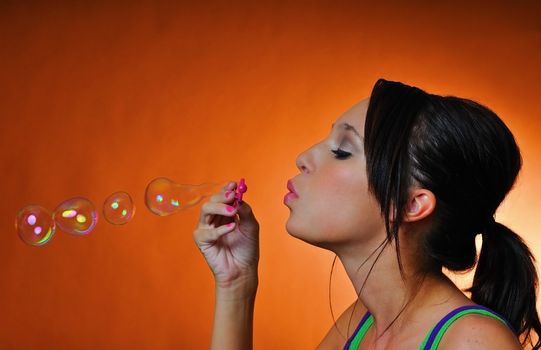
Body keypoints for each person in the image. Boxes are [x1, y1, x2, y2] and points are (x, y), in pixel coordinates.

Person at [192, 79, 541, 349]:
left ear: (411, 205)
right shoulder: (363, 323)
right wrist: (235, 285)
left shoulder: (471, 343)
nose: (304, 157)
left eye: (342, 150)